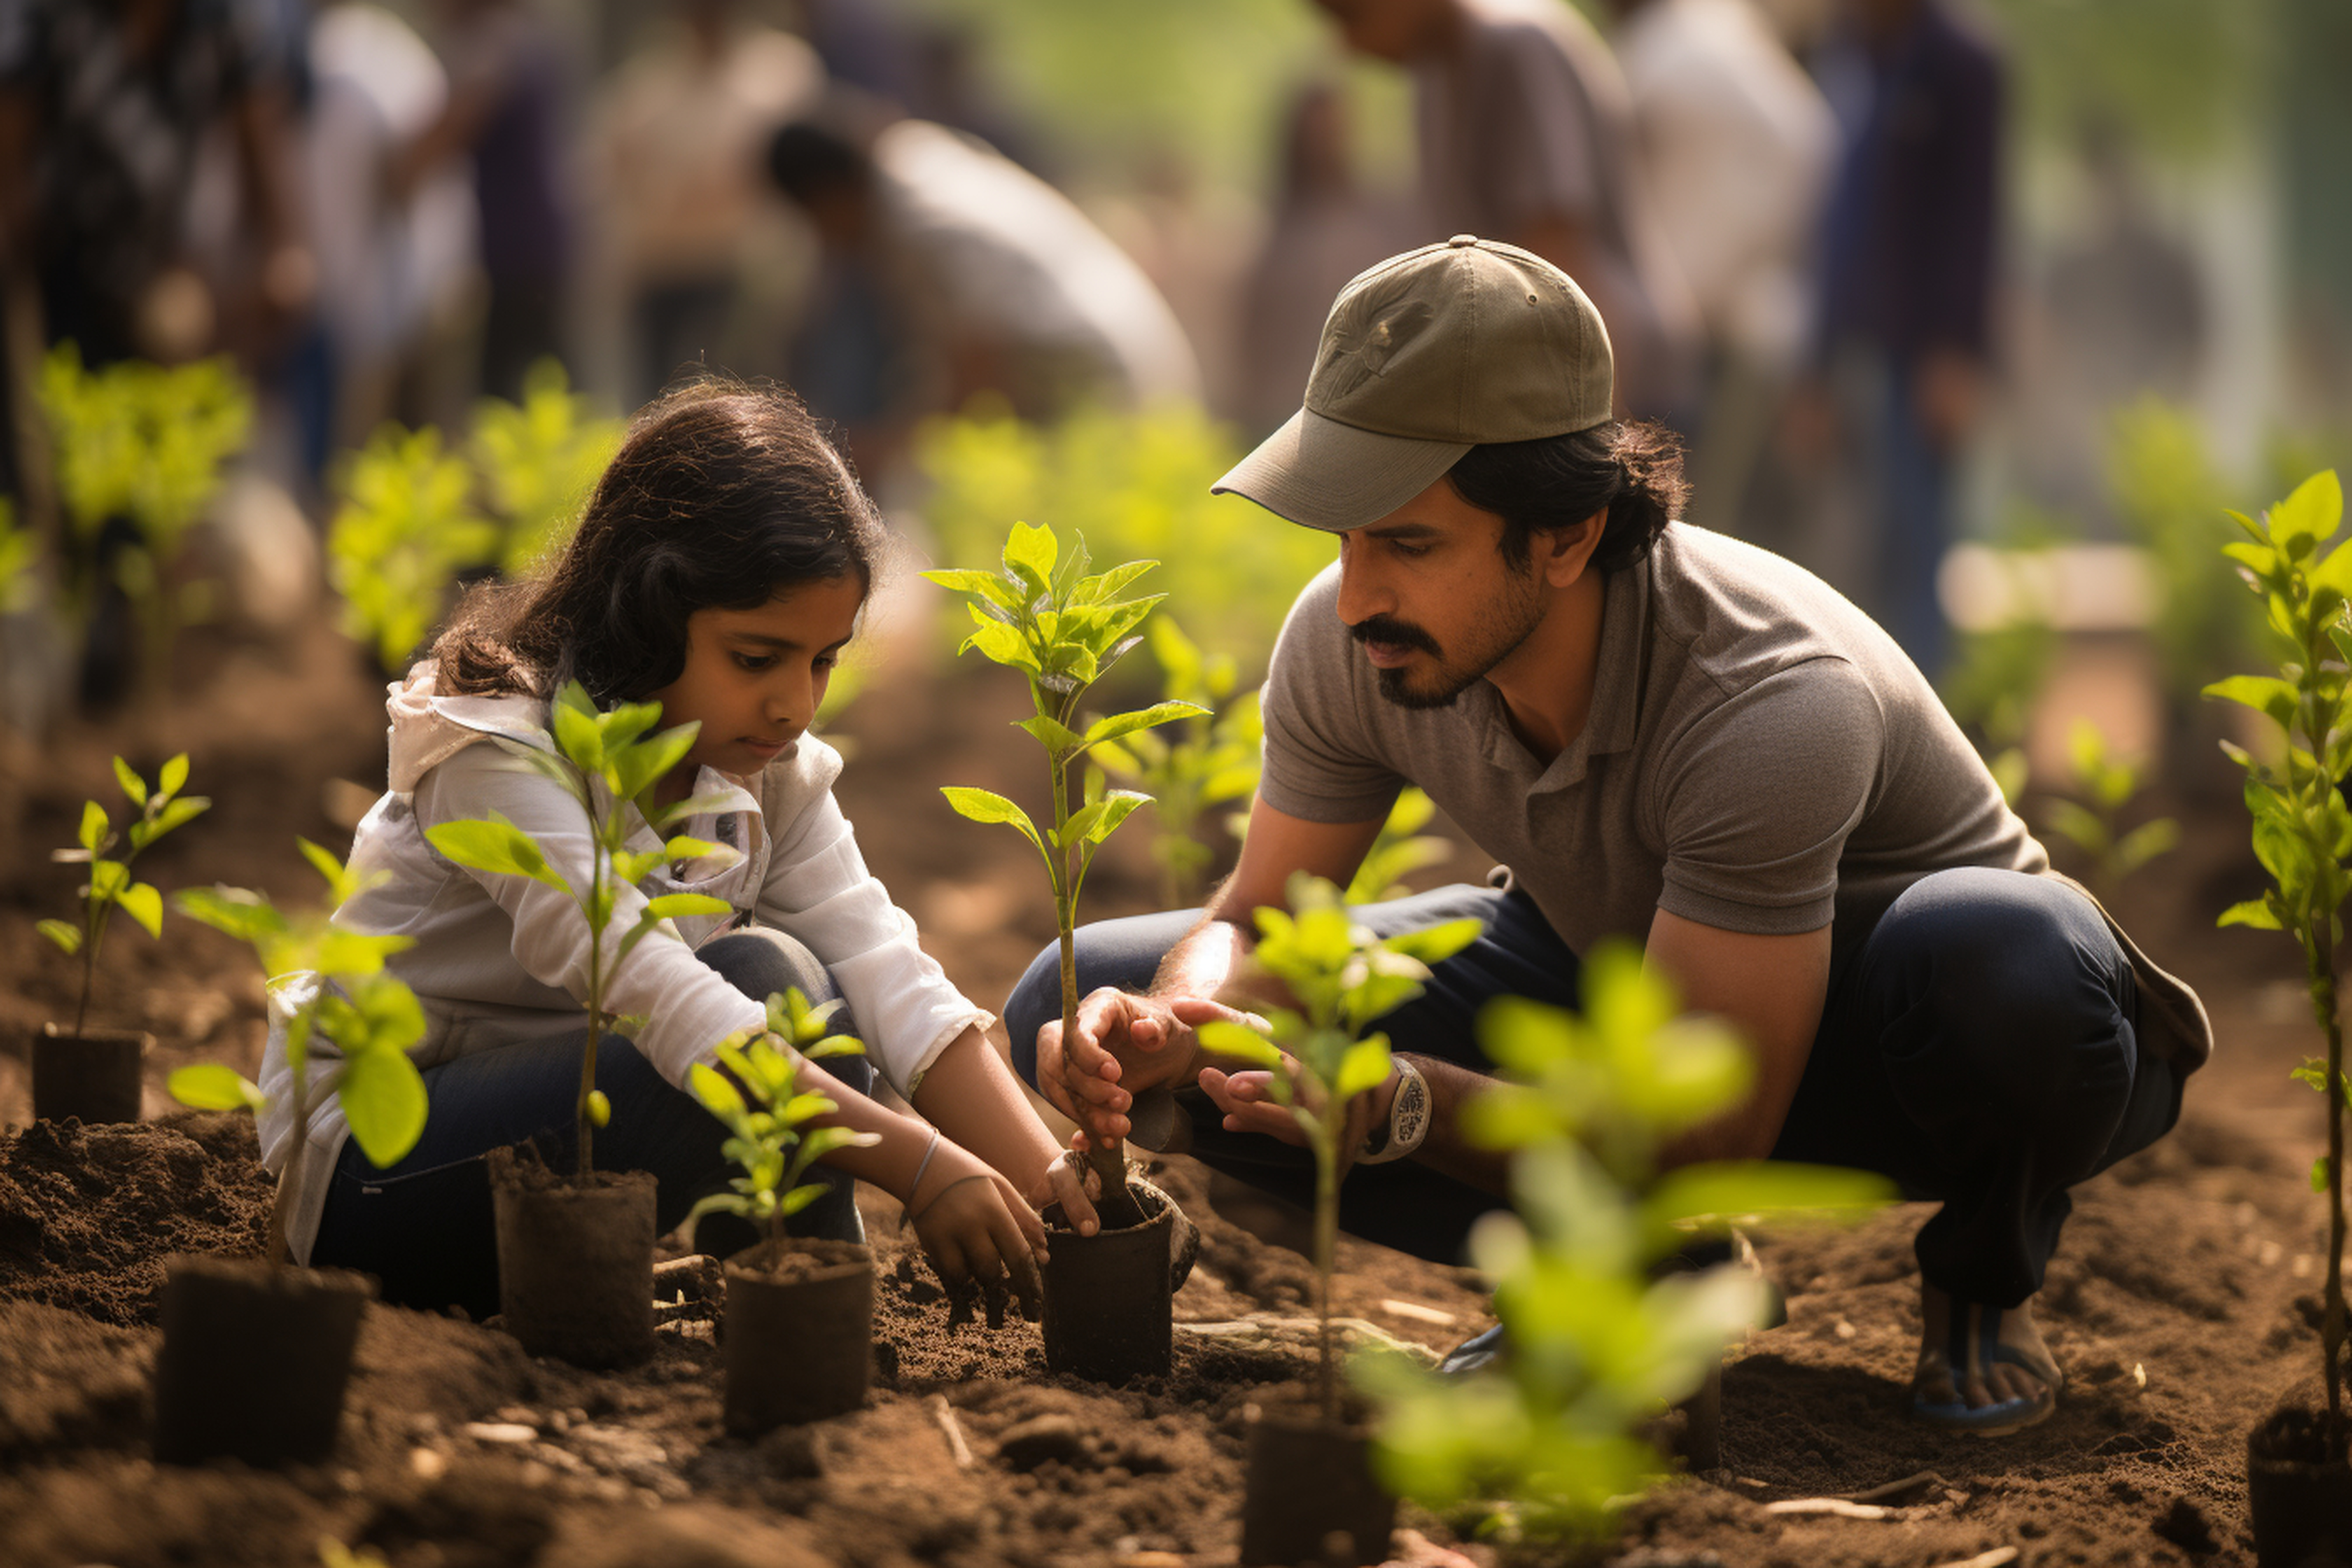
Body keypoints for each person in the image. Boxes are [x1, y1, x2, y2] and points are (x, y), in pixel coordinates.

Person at [1009, 237, 2210, 1436]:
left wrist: (1404, 1098)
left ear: (1568, 535)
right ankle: (1643, 1273)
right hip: (1625, 973)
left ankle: (1981, 1277)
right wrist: (1176, 1013)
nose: (1359, 591)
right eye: (1344, 536)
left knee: (2006, 960)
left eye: (1410, 543)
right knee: (1077, 994)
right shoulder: (1355, 633)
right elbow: (1260, 921)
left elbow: (1714, 1124)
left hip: (1917, 1040)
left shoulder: (1770, 691)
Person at [268, 379, 1096, 1322]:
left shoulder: (766, 770)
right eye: (757, 659)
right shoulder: (494, 751)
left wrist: (1061, 1188)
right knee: (711, 1058)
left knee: (785, 976)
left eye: (823, 660)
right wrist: (916, 1163)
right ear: (653, 614)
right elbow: (660, 1002)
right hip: (377, 1186)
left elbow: (886, 973)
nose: (795, 704)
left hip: (563, 1186)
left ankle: (798, 1319)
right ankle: (809, 1314)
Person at [1308, 0, 1701, 424]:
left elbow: (1557, 256)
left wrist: (1601, 435)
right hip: (1549, 383)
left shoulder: (1513, 50)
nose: (1346, 45)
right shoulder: (1436, 74)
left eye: (1350, 15)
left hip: (1611, 375)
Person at [1791, 0, 2004, 682]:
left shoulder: (1961, 63)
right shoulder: (1848, 59)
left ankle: (1927, 721)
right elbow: (1835, 226)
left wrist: (1955, 351)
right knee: (1848, 549)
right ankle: (1855, 708)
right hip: (1853, 346)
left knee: (1916, 543)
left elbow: (1975, 218)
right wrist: (1816, 368)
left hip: (1919, 358)